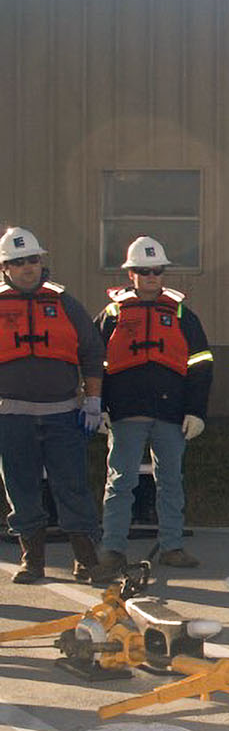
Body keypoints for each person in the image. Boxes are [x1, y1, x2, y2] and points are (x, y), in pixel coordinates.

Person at [93, 237, 214, 578]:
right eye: (144, 271)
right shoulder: (112, 315)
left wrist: (196, 411)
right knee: (120, 482)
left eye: (157, 271)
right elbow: (93, 362)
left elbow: (201, 364)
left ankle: (172, 547)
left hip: (171, 413)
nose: (151, 277)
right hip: (126, 412)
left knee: (171, 481)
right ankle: (112, 549)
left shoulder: (181, 315)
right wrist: (97, 405)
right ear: (131, 274)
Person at [0, 226, 106, 583]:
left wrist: (93, 399)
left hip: (63, 414)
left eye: (32, 259)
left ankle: (86, 558)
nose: (27, 267)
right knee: (21, 487)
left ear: (41, 262)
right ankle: (33, 559)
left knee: (72, 485)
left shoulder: (65, 304)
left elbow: (92, 352)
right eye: (18, 262)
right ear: (5, 268)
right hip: (11, 416)